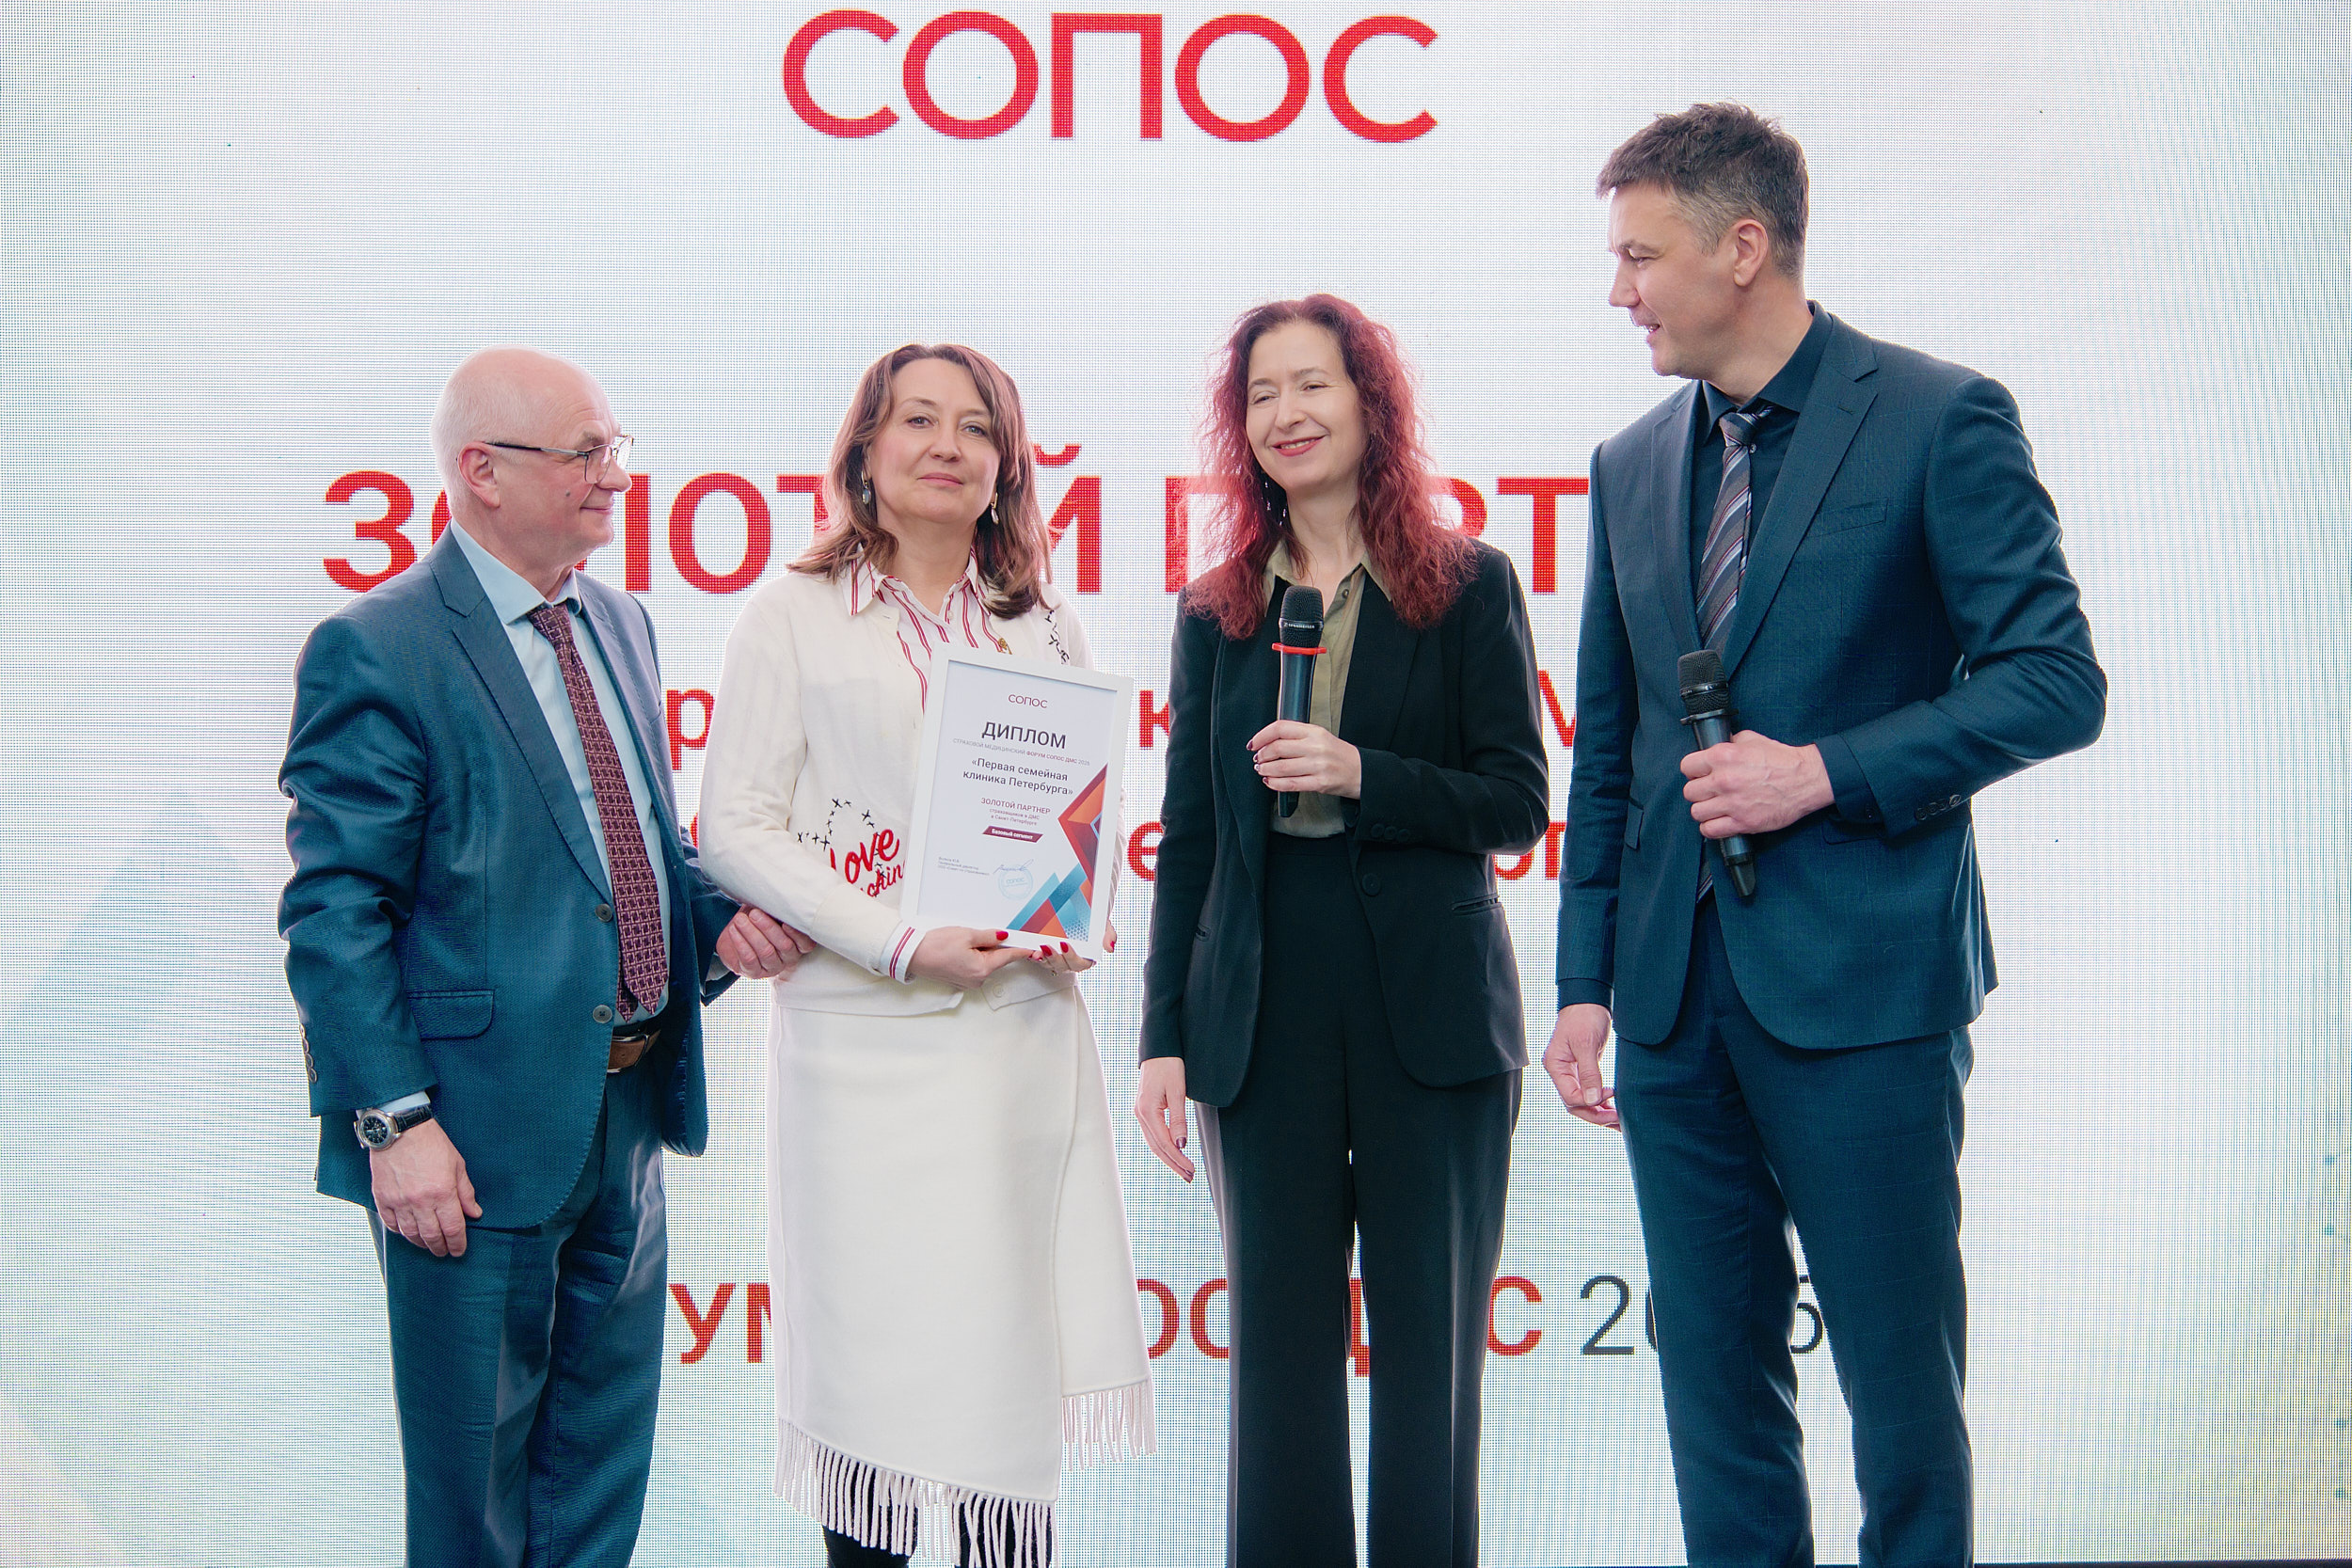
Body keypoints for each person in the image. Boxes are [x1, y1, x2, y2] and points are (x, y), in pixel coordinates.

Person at [1547, 104, 2106, 1567]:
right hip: (1672, 1001)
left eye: (1639, 257)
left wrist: (1825, 774)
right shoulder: (1627, 462)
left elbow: (2055, 682)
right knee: (1711, 1382)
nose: (1619, 292)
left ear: (1743, 248)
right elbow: (1610, 750)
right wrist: (1585, 983)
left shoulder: (1939, 416)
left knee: (1898, 1386)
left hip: (1867, 990)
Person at [279, 345, 803, 1564]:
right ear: (482, 472)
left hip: (627, 1124)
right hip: (467, 1144)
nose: (616, 477)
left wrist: (719, 917)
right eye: (587, 453)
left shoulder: (618, 622)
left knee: (596, 1485)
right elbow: (336, 912)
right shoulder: (379, 647)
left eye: (615, 448)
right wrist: (393, 1124)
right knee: (475, 1505)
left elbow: (638, 845)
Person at [697, 343, 1154, 1568]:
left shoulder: (1042, 623)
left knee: (1002, 1378)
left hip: (1016, 1046)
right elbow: (735, 828)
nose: (947, 446)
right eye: (917, 420)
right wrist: (902, 941)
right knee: (876, 1393)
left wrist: (1079, 914)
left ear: (1008, 466)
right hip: (863, 1063)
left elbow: (1081, 818)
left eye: (976, 428)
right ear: (866, 448)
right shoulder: (790, 615)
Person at [1134, 294, 1549, 1568]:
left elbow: (1516, 801)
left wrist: (1367, 774)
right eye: (1262, 394)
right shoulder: (1216, 610)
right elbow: (1190, 837)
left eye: (1312, 384)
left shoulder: (1468, 583)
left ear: (1371, 403)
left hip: (1429, 1002)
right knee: (1277, 1363)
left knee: (1431, 1357)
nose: (1287, 414)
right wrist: (1162, 1038)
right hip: (1262, 1008)